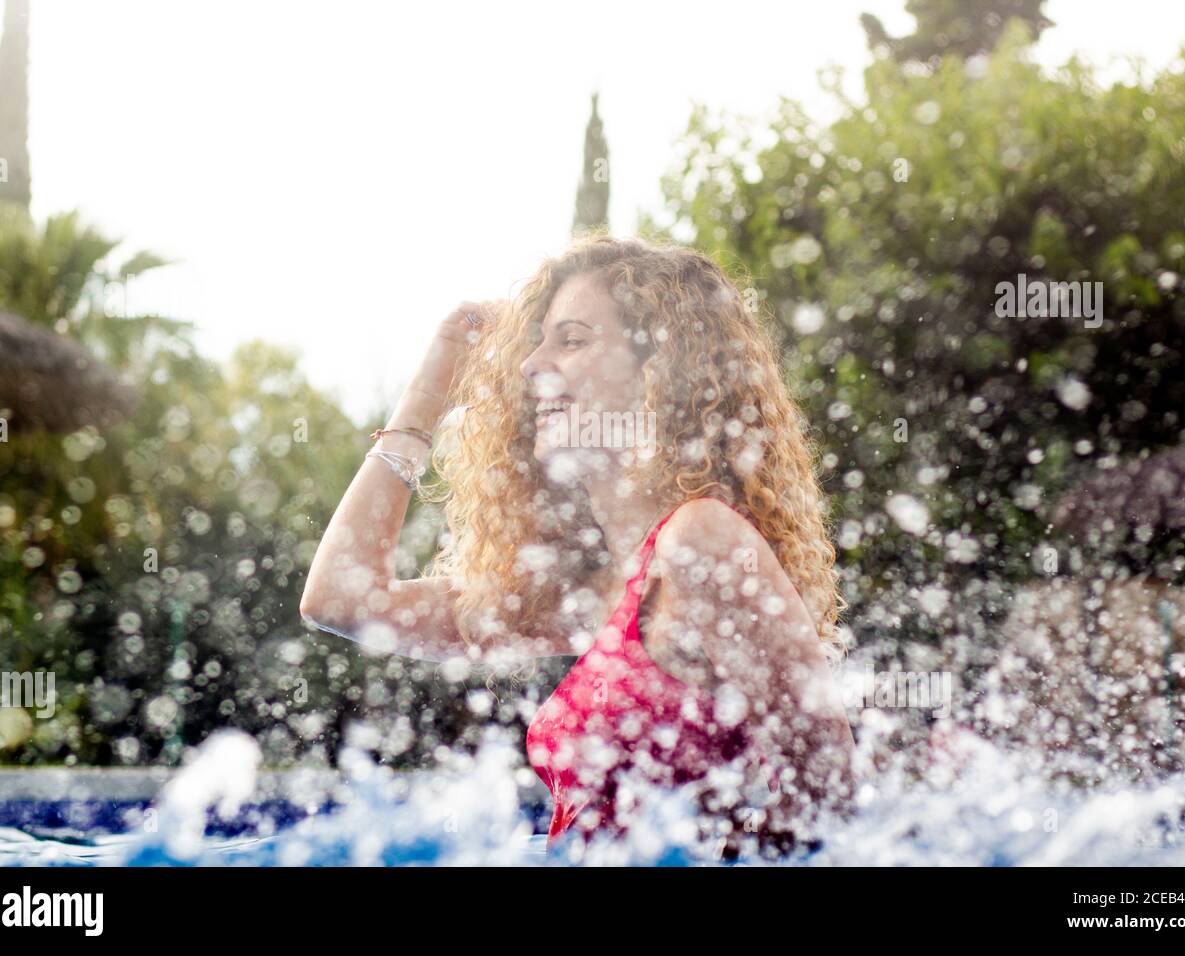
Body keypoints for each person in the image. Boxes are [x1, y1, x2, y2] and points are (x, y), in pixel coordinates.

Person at [300, 233, 855, 860]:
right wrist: (425, 399)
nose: (531, 366)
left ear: (660, 372)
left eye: (571, 340)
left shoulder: (701, 540)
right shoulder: (586, 592)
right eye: (538, 343)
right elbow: (341, 600)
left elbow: (824, 794)